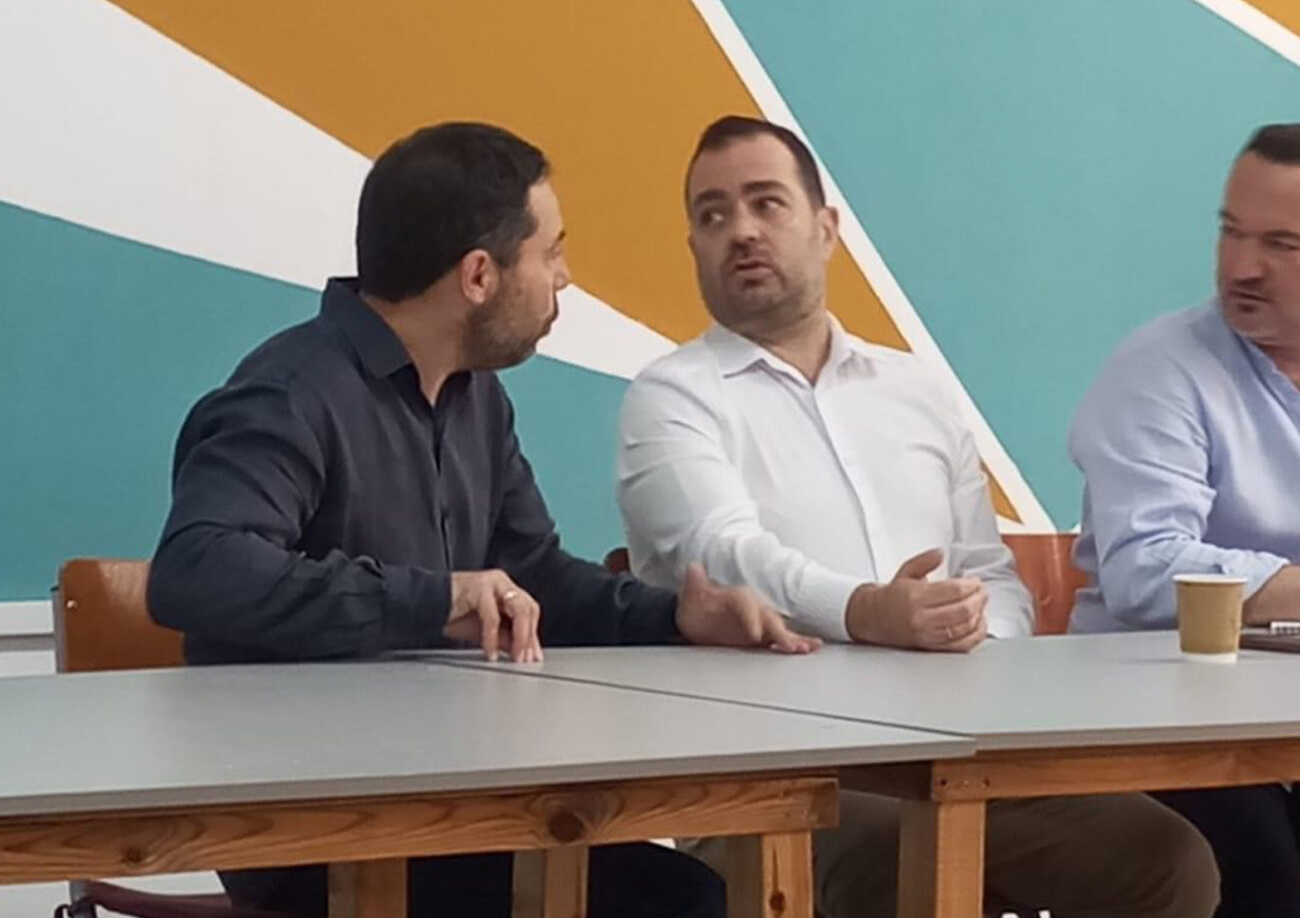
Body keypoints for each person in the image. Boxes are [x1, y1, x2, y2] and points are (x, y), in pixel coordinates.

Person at [148, 121, 817, 918]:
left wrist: (674, 615)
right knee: (681, 904)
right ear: (478, 275)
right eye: (551, 253)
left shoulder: (478, 400)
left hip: (459, 803)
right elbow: (198, 569)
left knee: (703, 895)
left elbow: (533, 577)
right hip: (317, 832)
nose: (565, 279)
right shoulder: (291, 391)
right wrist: (435, 599)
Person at [619, 114, 1219, 918]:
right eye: (713, 214)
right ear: (694, 246)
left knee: (1164, 859)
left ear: (827, 229)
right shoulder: (671, 396)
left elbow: (989, 573)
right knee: (894, 866)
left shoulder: (916, 391)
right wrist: (871, 613)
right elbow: (724, 557)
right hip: (771, 778)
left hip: (958, 758)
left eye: (767, 203)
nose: (742, 231)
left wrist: (970, 629)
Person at [1071, 121, 1300, 917]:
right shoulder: (1161, 368)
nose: (1241, 267)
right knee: (1264, 871)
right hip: (1155, 727)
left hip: (1283, 726)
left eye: (1281, 244)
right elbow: (1144, 570)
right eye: (1231, 231)